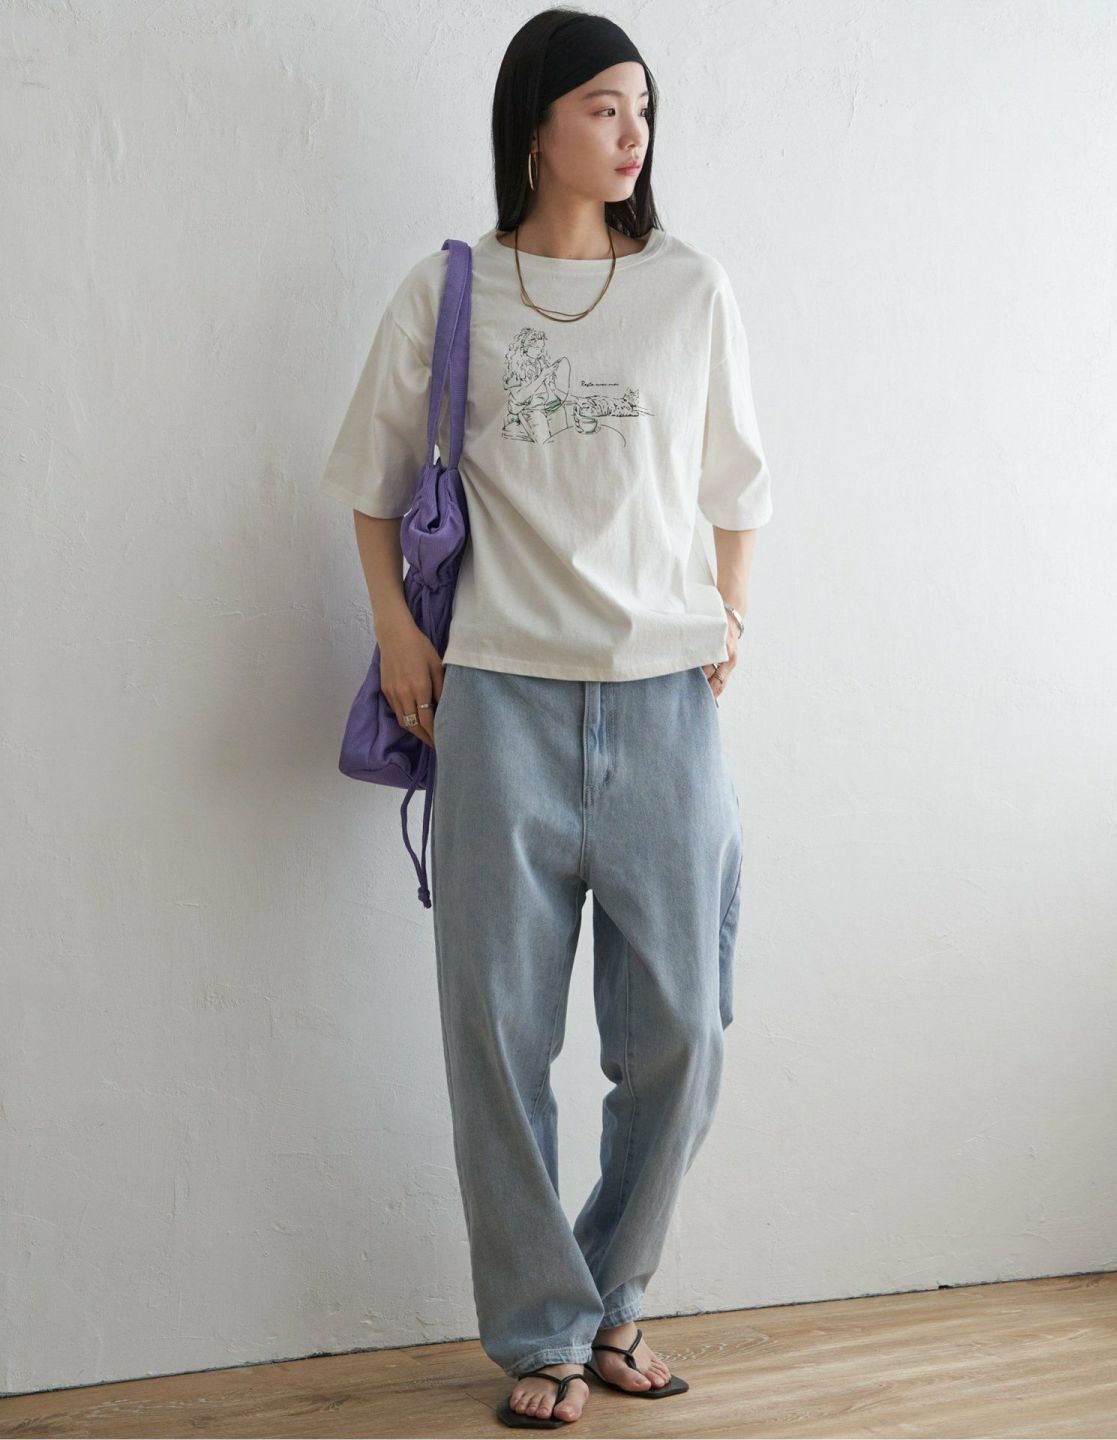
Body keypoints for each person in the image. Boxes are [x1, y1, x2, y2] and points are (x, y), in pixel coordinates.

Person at [319, 9, 773, 1428]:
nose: (632, 133)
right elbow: (373, 482)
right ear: (535, 127)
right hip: (500, 702)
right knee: (498, 1041)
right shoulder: (452, 291)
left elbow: (738, 485)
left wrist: (732, 612)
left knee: (684, 1029)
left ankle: (612, 1293)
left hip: (665, 705)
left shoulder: (690, 288)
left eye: (642, 108)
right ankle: (545, 1335)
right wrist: (397, 629)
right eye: (602, 107)